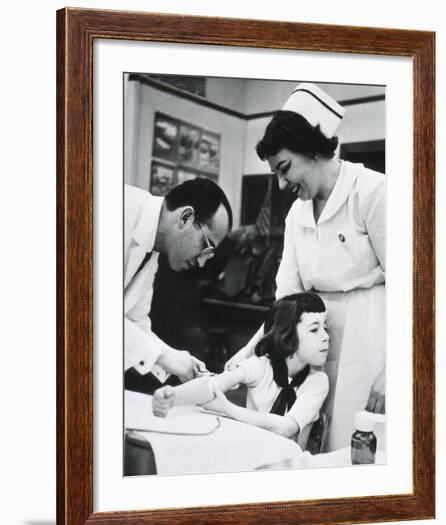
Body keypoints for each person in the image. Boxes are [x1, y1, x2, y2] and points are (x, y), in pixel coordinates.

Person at [225, 83, 385, 450]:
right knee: (310, 438)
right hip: (312, 340)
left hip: (370, 340)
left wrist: (394, 374)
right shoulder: (298, 213)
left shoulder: (372, 192)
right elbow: (286, 298)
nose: (282, 184)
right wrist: (247, 353)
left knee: (352, 443)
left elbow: (419, 287)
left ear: (312, 150)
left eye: (285, 168)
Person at [152, 292, 329, 445]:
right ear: (287, 335)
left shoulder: (317, 381)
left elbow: (286, 427)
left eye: (325, 327)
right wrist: (173, 396)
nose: (326, 337)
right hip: (252, 453)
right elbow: (212, 385)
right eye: (314, 329)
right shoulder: (261, 366)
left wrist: (227, 408)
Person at [125, 177, 232, 392]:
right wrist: (164, 356)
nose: (202, 262)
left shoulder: (154, 247)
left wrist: (178, 360)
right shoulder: (115, 209)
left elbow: (134, 321)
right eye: (206, 246)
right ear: (185, 217)